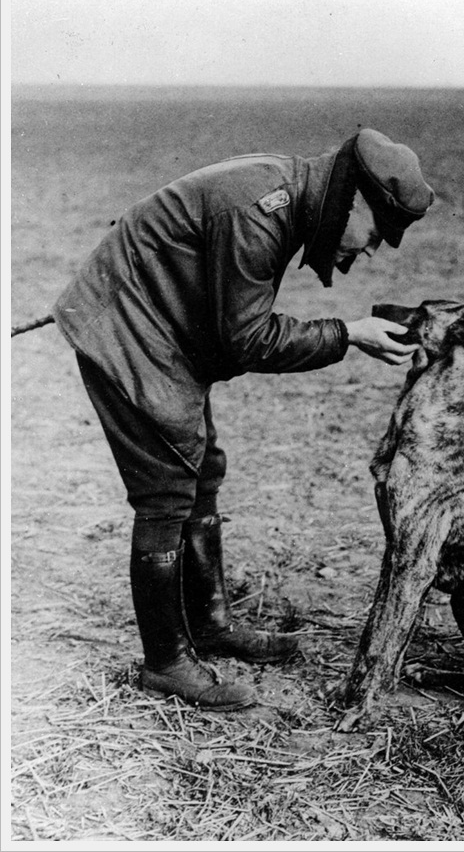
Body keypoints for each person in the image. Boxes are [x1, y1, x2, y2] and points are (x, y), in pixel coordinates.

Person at [52, 128, 435, 711]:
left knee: (202, 467)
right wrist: (347, 333)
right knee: (166, 486)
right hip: (125, 326)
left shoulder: (288, 191)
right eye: (376, 235)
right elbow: (247, 341)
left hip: (157, 320)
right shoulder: (263, 211)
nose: (368, 252)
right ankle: (167, 663)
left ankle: (208, 625)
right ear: (354, 198)